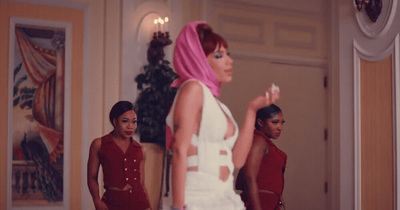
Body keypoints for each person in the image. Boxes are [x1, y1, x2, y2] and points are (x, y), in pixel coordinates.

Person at [165, 21, 280, 210]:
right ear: (199, 60)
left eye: (228, 54)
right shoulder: (193, 89)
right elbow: (179, 150)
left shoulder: (219, 107)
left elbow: (237, 161)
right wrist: (178, 207)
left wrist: (252, 109)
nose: (229, 60)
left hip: (224, 197)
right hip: (196, 198)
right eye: (219, 55)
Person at [87, 101, 151, 210]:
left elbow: (141, 184)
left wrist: (149, 206)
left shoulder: (140, 149)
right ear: (115, 121)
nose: (130, 126)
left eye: (134, 122)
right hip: (112, 204)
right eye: (125, 121)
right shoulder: (99, 144)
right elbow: (92, 177)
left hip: (139, 203)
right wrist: (97, 201)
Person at [235, 104, 287, 210]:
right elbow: (249, 177)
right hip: (259, 203)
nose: (280, 127)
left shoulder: (265, 143)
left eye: (282, 123)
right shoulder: (259, 140)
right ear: (260, 123)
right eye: (275, 122)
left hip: (270, 203)